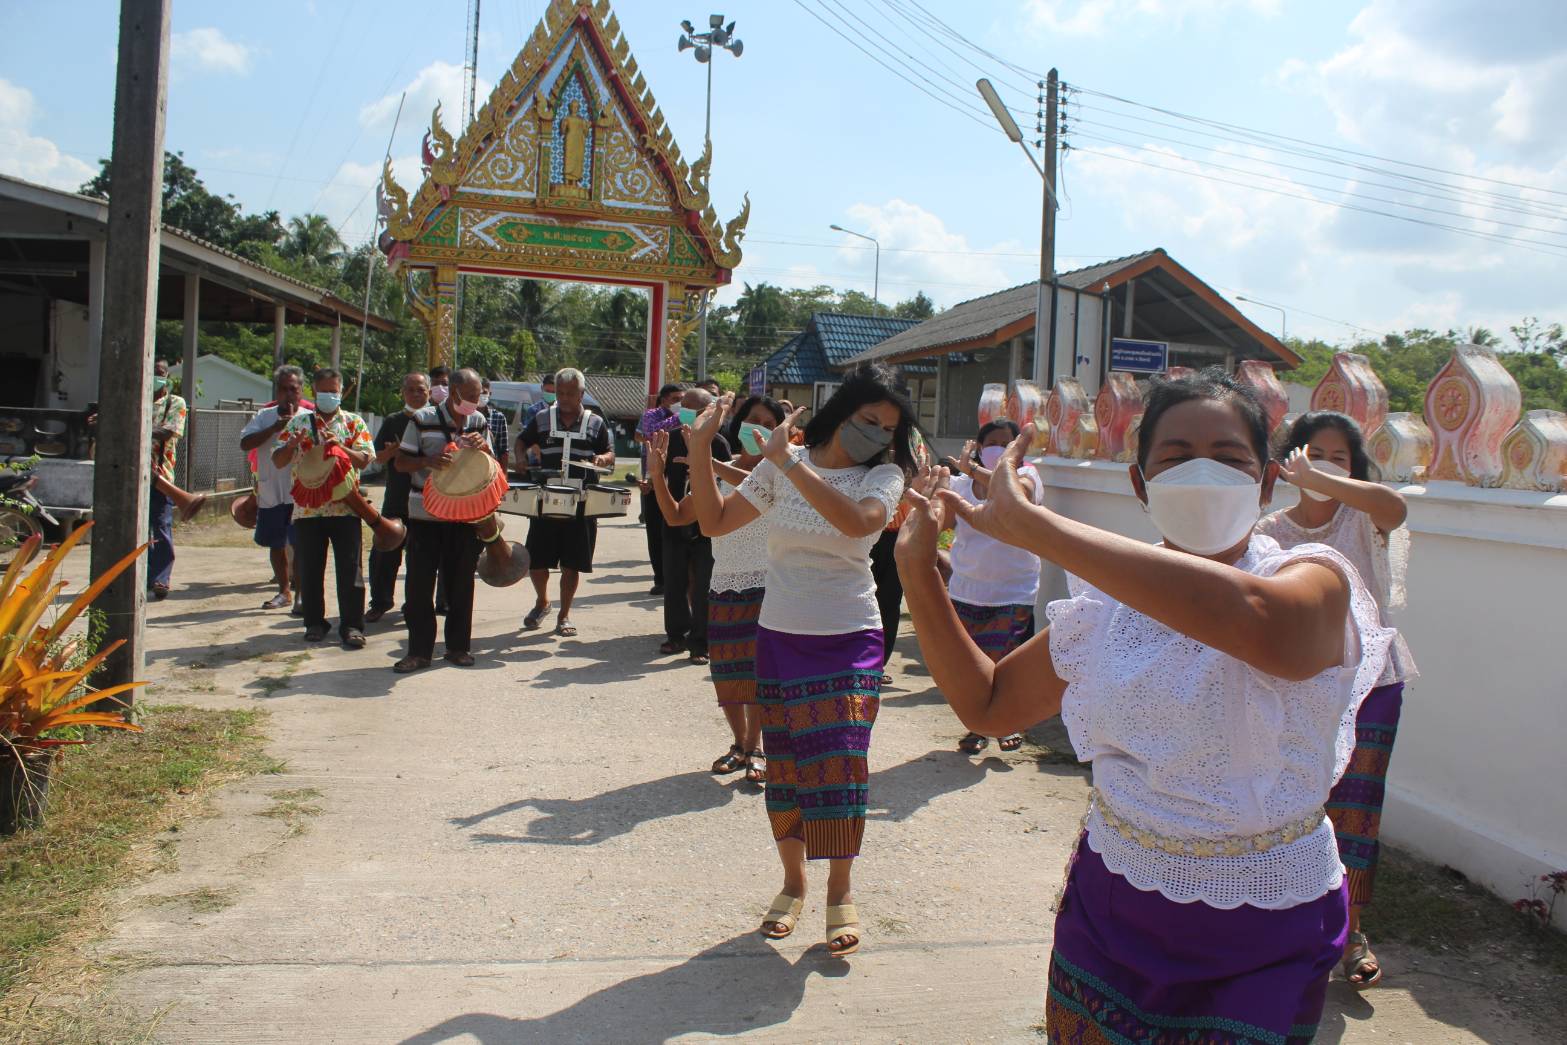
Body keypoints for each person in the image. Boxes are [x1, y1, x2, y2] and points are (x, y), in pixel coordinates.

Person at [894, 369, 1392, 1041]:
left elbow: (1265, 626)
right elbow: (989, 705)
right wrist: (916, 573)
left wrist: (1040, 529)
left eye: (1228, 459)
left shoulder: (1311, 577)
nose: (1202, 474)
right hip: (1113, 903)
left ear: (1266, 482)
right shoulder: (1103, 605)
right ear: (1139, 483)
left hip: (1268, 921)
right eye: (1177, 456)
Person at [688, 363, 915, 957]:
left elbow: (858, 524)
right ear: (842, 411)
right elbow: (714, 520)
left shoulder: (883, 475)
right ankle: (793, 883)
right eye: (868, 420)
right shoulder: (783, 463)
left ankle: (841, 890)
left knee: (840, 762)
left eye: (886, 427)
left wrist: (789, 463)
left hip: (850, 636)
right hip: (778, 636)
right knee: (785, 767)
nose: (875, 434)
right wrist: (693, 450)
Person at [1258, 411, 1417, 991]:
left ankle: (1352, 934)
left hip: (1373, 687)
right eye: (1313, 454)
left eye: (1339, 457)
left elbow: (1395, 508)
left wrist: (1328, 480)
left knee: (1354, 815)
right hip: (1297, 692)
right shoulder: (1271, 530)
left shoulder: (1364, 517)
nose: (1325, 465)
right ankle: (1290, 924)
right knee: (1295, 809)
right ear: (1290, 460)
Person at [651, 394, 786, 782]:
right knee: (726, 672)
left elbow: (758, 487)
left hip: (769, 586)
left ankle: (756, 746)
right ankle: (740, 744)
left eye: (766, 421)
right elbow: (678, 514)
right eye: (750, 420)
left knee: (761, 672)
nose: (755, 428)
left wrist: (704, 460)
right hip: (725, 584)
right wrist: (658, 475)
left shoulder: (782, 472)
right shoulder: (718, 471)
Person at [945, 419, 1044, 754]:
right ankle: (976, 727)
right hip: (966, 590)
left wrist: (971, 468)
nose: (999, 448)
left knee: (1003, 665)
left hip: (1013, 591)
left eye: (1007, 442)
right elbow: (939, 521)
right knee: (971, 669)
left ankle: (1004, 724)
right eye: (993, 442)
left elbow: (1015, 497)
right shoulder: (960, 485)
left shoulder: (1028, 477)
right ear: (979, 445)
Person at [393, 368, 494, 672]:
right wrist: (427, 461)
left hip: (464, 514)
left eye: (479, 397)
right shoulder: (421, 420)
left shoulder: (478, 421)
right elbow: (400, 462)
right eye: (472, 397)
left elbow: (490, 462)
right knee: (419, 586)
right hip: (425, 515)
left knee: (462, 583)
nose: (477, 403)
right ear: (454, 394)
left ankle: (458, 648)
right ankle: (419, 652)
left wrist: (484, 447)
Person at [272, 368, 374, 649]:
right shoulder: (298, 423)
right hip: (307, 509)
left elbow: (365, 460)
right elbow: (279, 461)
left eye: (334, 390)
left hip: (346, 507)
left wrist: (340, 446)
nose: (330, 395)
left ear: (341, 391)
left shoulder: (353, 423)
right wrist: (291, 444)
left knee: (350, 569)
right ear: (314, 392)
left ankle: (352, 625)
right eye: (324, 390)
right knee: (309, 568)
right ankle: (315, 623)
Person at [519, 368, 615, 637]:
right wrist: (522, 458)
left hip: (582, 502)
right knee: (536, 560)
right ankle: (542, 602)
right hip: (546, 498)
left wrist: (602, 460)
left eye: (570, 393)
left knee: (572, 562)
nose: (564, 398)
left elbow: (610, 452)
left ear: (581, 394)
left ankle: (564, 615)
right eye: (560, 393)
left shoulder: (595, 423)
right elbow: (522, 441)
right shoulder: (541, 419)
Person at [656, 388, 732, 662]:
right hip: (676, 515)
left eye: (692, 408)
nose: (685, 412)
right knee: (674, 580)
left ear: (707, 413)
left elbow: (725, 484)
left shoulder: (719, 443)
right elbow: (658, 475)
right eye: (682, 406)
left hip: (707, 524)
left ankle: (700, 642)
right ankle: (675, 635)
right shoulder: (670, 439)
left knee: (703, 583)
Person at [240, 365, 307, 611]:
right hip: (271, 491)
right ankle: (283, 591)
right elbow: (245, 443)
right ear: (276, 391)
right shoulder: (263, 416)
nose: (289, 394)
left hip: (300, 493)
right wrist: (274, 429)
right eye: (283, 389)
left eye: (294, 389)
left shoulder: (309, 416)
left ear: (301, 392)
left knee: (299, 544)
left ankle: (301, 594)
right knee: (276, 544)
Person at [367, 371, 429, 623]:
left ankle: (415, 604)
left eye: (421, 389)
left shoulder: (434, 420)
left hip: (427, 500)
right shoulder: (393, 421)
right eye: (411, 389)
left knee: (422, 558)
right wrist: (390, 453)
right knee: (384, 552)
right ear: (403, 392)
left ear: (428, 392)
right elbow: (376, 458)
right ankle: (380, 602)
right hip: (397, 498)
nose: (416, 394)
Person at [635, 383, 684, 596]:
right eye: (675, 399)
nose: (678, 403)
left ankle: (677, 578)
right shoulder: (652, 414)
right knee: (655, 532)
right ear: (663, 399)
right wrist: (680, 417)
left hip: (678, 480)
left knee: (676, 532)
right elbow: (652, 432)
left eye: (681, 399)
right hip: (654, 480)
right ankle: (660, 579)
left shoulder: (686, 416)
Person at [146, 360, 188, 600]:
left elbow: (169, 431)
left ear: (167, 377)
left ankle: (161, 579)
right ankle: (143, 577)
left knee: (160, 526)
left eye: (160, 374)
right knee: (137, 530)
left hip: (160, 476)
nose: (155, 377)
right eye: (151, 373)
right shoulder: (134, 399)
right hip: (131, 475)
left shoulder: (174, 402)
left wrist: (135, 426)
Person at [480, 377, 510, 476]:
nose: (481, 396)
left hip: (492, 470)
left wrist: (504, 475)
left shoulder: (498, 417)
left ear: (489, 394)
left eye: (484, 392)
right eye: (478, 392)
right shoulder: (466, 416)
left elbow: (504, 450)